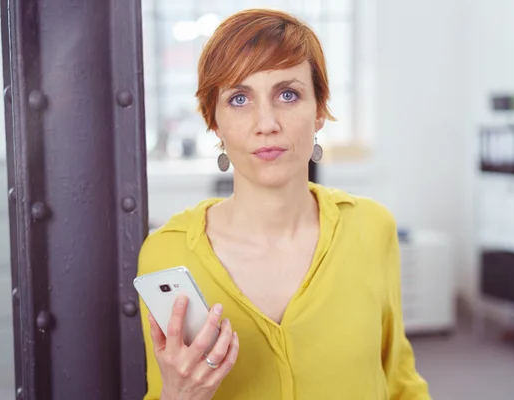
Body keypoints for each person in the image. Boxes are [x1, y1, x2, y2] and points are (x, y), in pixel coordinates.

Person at [137, 8, 431, 400]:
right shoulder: (166, 253)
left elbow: (400, 381)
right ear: (214, 121)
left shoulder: (372, 228)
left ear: (320, 110)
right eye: (239, 98)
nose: (267, 122)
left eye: (287, 94)